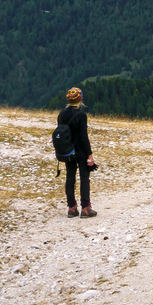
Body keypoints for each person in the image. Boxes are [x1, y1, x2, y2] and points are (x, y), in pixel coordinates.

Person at [58, 87, 97, 217]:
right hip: (80, 151)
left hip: (68, 151)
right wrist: (90, 154)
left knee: (70, 177)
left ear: (68, 99)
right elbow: (83, 136)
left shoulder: (62, 115)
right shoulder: (81, 115)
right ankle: (86, 208)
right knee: (84, 178)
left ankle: (71, 208)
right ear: (80, 99)